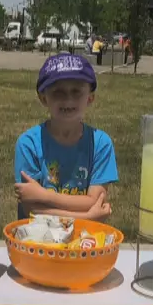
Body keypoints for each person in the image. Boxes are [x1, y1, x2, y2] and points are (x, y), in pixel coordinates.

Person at [14, 54, 117, 221]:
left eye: (76, 91)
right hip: (37, 240)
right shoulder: (29, 144)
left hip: (85, 240)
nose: (68, 100)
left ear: (90, 98)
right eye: (58, 92)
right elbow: (31, 210)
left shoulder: (100, 144)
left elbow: (95, 201)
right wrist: (88, 217)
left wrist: (45, 196)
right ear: (43, 98)